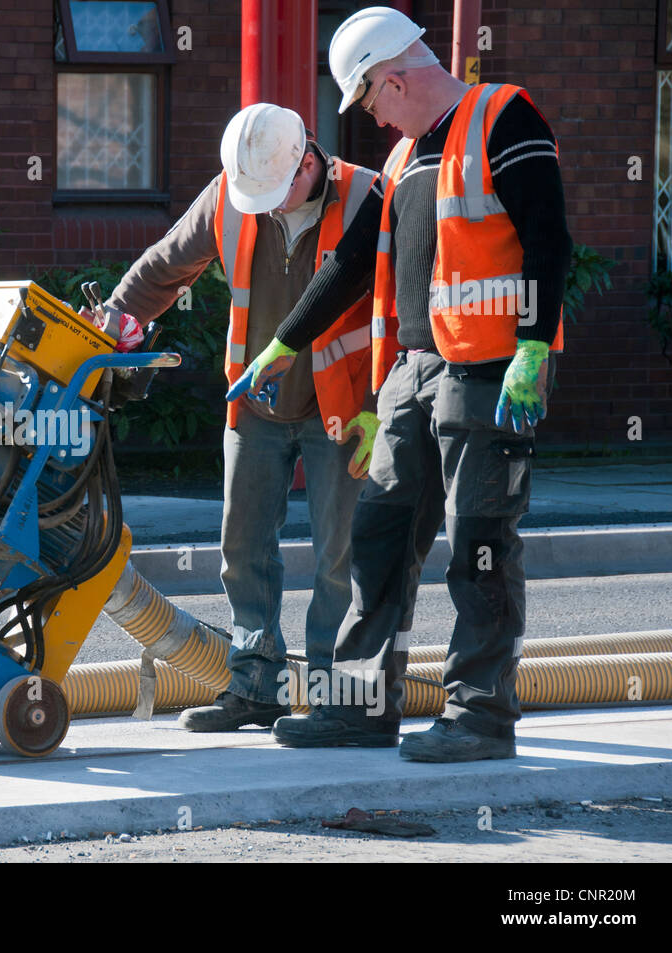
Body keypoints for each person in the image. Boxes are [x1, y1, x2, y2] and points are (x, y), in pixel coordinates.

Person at [241, 6, 571, 761]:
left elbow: (550, 239)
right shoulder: (403, 162)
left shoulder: (504, 118)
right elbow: (351, 263)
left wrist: (533, 348)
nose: (377, 121)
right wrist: (283, 344)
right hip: (413, 375)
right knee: (379, 536)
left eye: (373, 104)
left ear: (392, 79)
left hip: (489, 374)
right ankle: (360, 705)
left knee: (480, 543)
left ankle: (482, 714)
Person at [101, 103, 382, 730]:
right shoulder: (232, 191)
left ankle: (341, 701)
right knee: (243, 548)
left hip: (346, 405)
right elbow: (165, 265)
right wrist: (114, 323)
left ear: (308, 161)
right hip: (256, 403)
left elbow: (405, 304)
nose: (269, 207)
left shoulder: (368, 195)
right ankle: (257, 687)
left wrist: (382, 405)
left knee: (341, 557)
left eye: (278, 195)